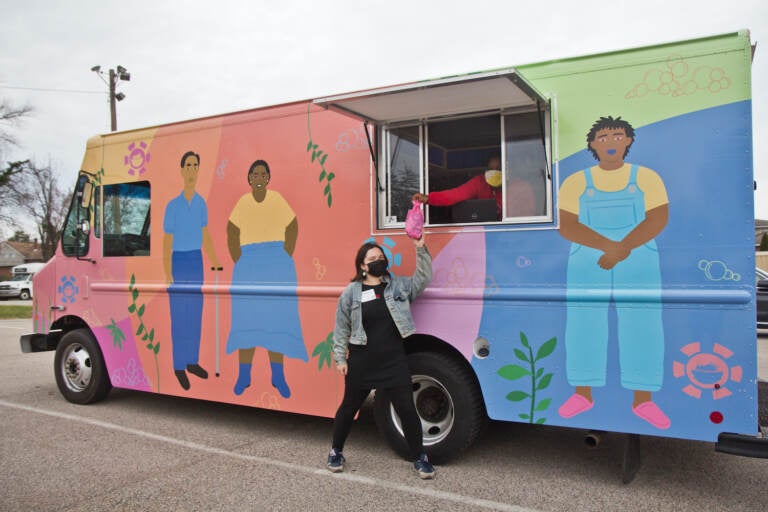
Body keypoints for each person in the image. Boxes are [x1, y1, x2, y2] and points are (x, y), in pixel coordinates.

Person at [557, 116, 670, 429]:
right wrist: (610, 247)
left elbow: (658, 218)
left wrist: (623, 248)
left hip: (639, 258)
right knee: (583, 323)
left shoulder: (647, 178)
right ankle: (583, 393)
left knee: (643, 324)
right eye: (603, 137)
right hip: (588, 258)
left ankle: (643, 400)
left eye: (617, 136)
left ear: (629, 140)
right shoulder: (577, 181)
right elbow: (567, 225)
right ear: (592, 143)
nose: (610, 142)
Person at [327, 237, 435, 479]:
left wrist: (420, 247)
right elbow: (341, 327)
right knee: (348, 409)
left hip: (393, 361)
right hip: (362, 360)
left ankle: (419, 457)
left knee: (407, 410)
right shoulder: (352, 293)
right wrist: (340, 359)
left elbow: (423, 279)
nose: (378, 261)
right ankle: (336, 451)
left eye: (380, 257)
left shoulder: (396, 287)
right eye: (372, 259)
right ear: (362, 266)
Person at [226, 159, 308, 399]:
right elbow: (232, 230)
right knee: (246, 323)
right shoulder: (243, 202)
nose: (259, 177)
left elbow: (292, 224)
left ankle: (278, 376)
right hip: (248, 264)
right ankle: (244, 375)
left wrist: (285, 253)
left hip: (277, 263)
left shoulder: (276, 199)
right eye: (255, 174)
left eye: (263, 173)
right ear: (249, 178)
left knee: (276, 325)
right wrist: (239, 259)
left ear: (268, 177)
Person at [163, 151, 220, 391]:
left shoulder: (200, 203)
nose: (191, 170)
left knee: (195, 314)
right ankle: (178, 366)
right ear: (181, 170)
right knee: (179, 316)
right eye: (188, 165)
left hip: (196, 260)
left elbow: (205, 234)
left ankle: (192, 362)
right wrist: (167, 272)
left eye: (195, 165)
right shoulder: (172, 206)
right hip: (179, 259)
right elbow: (167, 239)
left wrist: (214, 259)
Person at [412, 154, 536, 220]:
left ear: (507, 170)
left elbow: (528, 216)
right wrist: (428, 198)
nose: (494, 172)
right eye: (491, 169)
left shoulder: (521, 187)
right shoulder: (480, 182)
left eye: (498, 169)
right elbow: (455, 194)